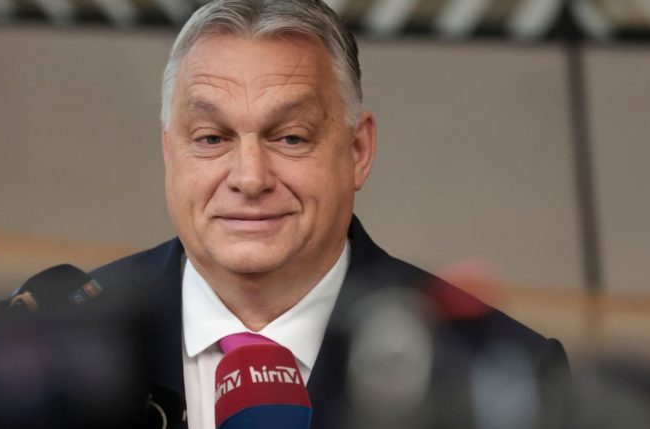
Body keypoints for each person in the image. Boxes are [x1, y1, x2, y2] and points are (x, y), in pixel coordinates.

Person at [91, 1, 569, 428]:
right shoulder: (61, 339)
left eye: (291, 138)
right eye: (212, 139)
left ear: (358, 151)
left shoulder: (498, 375)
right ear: (169, 152)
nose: (250, 178)